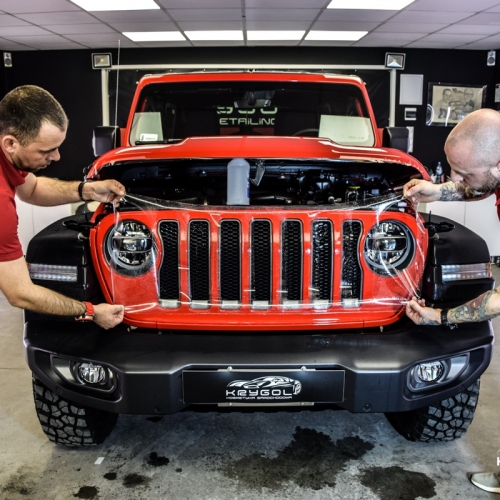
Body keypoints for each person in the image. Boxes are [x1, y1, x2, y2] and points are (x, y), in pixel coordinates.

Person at [403, 107, 500, 494]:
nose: (456, 180)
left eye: (463, 172)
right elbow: (480, 185)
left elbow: (496, 302)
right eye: (451, 169)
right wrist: (437, 190)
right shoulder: (491, 171)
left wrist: (442, 316)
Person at [0, 85, 125, 330]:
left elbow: (32, 189)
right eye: (46, 150)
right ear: (11, 143)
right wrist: (91, 311)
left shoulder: (9, 155)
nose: (57, 157)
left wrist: (88, 190)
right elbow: (20, 294)